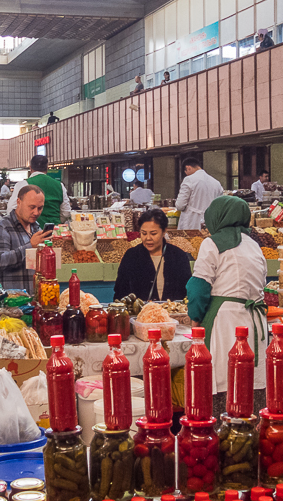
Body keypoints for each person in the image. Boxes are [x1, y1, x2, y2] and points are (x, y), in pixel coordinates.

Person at [185, 196, 269, 415]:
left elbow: (198, 287)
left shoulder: (211, 244)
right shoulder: (254, 246)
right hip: (256, 322)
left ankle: (225, 436)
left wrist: (195, 316)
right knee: (253, 381)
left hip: (225, 321)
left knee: (225, 380)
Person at [113, 208, 192, 302]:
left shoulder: (178, 256)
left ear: (164, 231)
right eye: (144, 233)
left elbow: (187, 291)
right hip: (139, 315)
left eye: (153, 233)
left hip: (172, 314)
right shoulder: (131, 256)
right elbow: (120, 292)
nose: (148, 238)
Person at [0, 185, 48, 289]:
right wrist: (30, 246)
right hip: (11, 301)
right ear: (19, 202)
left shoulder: (36, 228)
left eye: (40, 208)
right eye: (32, 207)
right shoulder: (1, 227)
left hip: (34, 299)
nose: (36, 212)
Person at [8, 155, 71, 225]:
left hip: (30, 232)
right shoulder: (60, 185)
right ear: (47, 168)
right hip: (54, 231)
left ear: (30, 168)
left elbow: (11, 209)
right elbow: (66, 212)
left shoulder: (23, 184)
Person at [174, 156, 224, 230]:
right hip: (210, 222)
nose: (187, 174)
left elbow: (180, 205)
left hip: (191, 222)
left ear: (188, 168)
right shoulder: (216, 182)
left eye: (186, 172)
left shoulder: (189, 179)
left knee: (190, 240)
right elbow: (219, 204)